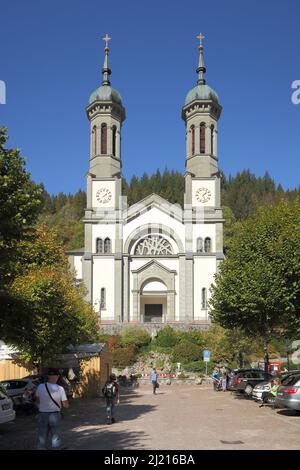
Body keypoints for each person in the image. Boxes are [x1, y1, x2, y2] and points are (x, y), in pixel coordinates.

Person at [35, 368, 69, 450]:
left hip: (43, 414)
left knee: (42, 435)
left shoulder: (40, 386)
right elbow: (66, 405)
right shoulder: (60, 389)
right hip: (55, 415)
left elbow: (37, 400)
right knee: (56, 435)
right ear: (57, 376)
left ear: (48, 376)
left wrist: (41, 406)